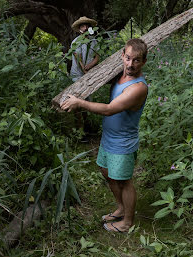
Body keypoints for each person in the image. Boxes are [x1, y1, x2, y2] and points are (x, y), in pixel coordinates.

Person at [61, 38, 149, 233]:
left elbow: (109, 109)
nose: (130, 64)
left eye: (136, 60)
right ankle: (120, 208)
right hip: (109, 137)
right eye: (127, 58)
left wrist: (80, 103)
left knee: (124, 181)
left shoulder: (138, 87)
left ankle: (127, 222)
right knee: (105, 171)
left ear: (143, 62)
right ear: (122, 56)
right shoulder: (119, 74)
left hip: (123, 141)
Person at [70, 16, 100, 81]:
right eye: (83, 26)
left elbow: (97, 56)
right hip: (78, 75)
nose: (86, 28)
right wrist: (86, 74)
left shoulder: (93, 40)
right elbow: (79, 60)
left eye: (87, 26)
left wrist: (90, 65)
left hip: (91, 71)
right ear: (79, 29)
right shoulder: (76, 42)